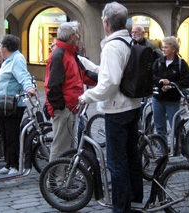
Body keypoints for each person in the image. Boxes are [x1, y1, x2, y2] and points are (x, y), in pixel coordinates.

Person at [78, 2, 143, 212]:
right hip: (132, 105)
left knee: (116, 162)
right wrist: (89, 65)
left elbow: (110, 82)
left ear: (106, 23)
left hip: (117, 109)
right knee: (131, 155)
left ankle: (120, 207)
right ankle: (134, 198)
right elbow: (115, 73)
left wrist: (86, 96)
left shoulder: (112, 46)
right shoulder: (128, 41)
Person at [45, 21, 97, 162]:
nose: (79, 37)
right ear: (72, 37)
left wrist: (103, 80)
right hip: (66, 108)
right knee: (61, 146)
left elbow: (83, 74)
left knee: (69, 145)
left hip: (71, 106)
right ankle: (56, 179)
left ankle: (65, 175)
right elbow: (53, 85)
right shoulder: (60, 54)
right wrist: (61, 107)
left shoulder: (69, 53)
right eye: (77, 34)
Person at [0, 34, 36, 175]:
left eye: (1, 46)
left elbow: (23, 76)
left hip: (13, 104)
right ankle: (8, 163)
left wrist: (29, 87)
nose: (0, 49)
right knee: (4, 134)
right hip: (3, 104)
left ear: (5, 47)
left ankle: (15, 165)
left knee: (12, 134)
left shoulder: (17, 59)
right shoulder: (8, 60)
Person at [151, 36, 189, 141]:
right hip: (158, 98)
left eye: (166, 47)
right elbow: (152, 77)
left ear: (173, 49)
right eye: (162, 47)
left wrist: (171, 85)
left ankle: (183, 150)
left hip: (172, 99)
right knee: (159, 127)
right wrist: (161, 83)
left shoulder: (181, 64)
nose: (163, 49)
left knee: (177, 125)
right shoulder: (158, 62)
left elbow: (186, 81)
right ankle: (162, 151)